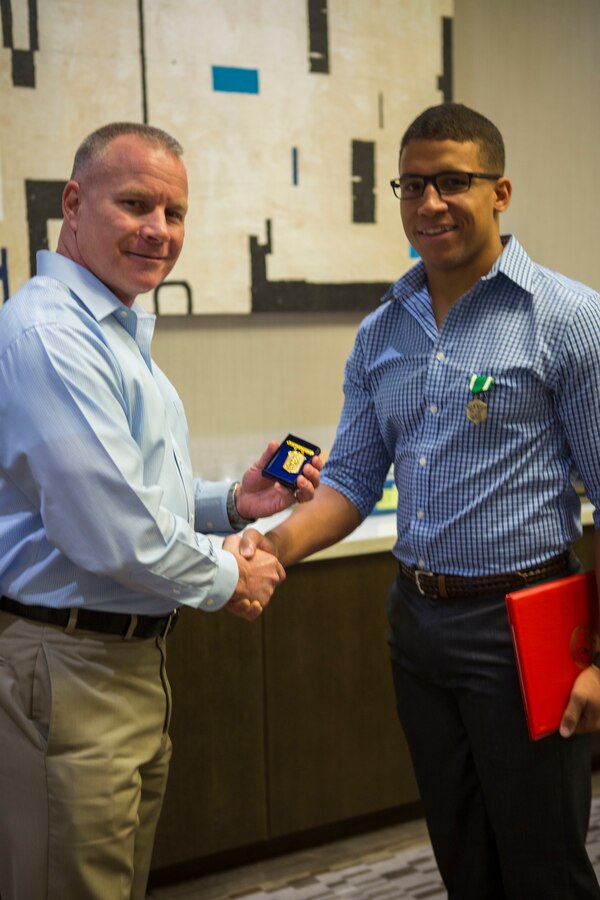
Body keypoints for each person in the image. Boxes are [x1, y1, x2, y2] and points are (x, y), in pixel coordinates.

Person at [242, 103, 600, 899]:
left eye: (452, 182)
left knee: (545, 867)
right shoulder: (382, 332)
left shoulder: (568, 320)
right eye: (413, 186)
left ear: (500, 191)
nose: (430, 203)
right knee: (463, 856)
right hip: (417, 625)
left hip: (527, 625)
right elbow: (351, 482)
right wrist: (274, 547)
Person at [0, 122, 321, 900]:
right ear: (74, 204)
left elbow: (130, 495)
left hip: (128, 663)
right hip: (69, 668)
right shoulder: (49, 333)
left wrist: (230, 504)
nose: (159, 231)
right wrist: (231, 575)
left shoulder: (113, 328)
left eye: (174, 213)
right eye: (136, 203)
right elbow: (109, 531)